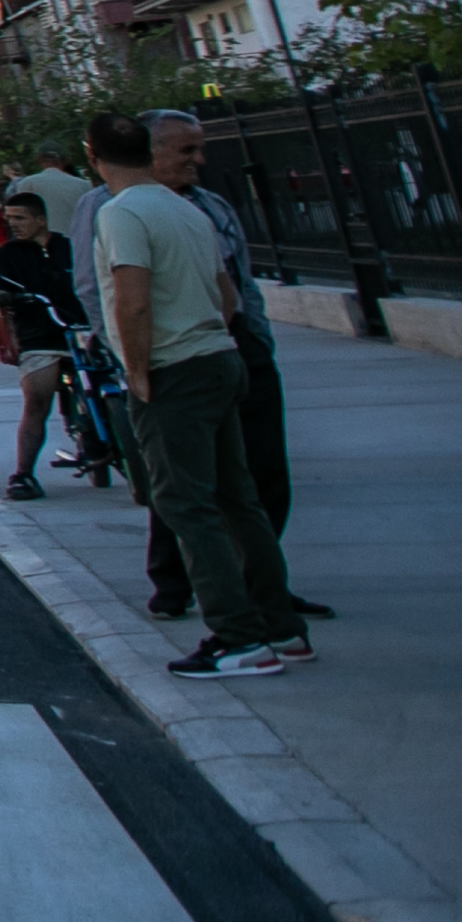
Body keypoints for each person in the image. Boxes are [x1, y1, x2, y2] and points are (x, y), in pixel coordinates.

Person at [89, 111, 303, 678]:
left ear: (94, 157)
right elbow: (227, 294)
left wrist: (137, 370)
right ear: (148, 151)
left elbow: (132, 300)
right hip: (219, 357)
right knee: (239, 501)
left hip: (173, 368)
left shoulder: (121, 212)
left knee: (186, 505)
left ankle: (237, 637)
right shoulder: (189, 209)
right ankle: (281, 628)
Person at [139, 110, 325, 625]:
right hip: (174, 353)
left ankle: (264, 588)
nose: (199, 160)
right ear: (150, 152)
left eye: (200, 148)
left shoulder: (212, 206)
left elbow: (240, 282)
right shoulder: (117, 209)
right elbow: (100, 290)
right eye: (186, 150)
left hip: (235, 345)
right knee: (183, 482)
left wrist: (256, 341)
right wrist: (132, 361)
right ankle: (176, 586)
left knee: (260, 475)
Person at [0, 190, 97, 499]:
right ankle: (23, 474)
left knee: (116, 382)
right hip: (39, 336)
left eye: (20, 218)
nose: (14, 224)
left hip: (84, 330)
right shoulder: (8, 254)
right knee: (37, 400)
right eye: (10, 219)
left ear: (41, 220)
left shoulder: (70, 248)